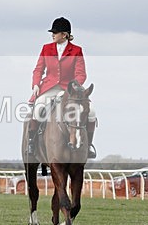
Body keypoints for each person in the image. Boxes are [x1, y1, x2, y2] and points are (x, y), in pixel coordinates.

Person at [26, 16, 97, 157]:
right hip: (49, 88)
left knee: (92, 112)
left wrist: (73, 89)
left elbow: (81, 74)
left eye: (55, 32)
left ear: (64, 35)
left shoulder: (76, 51)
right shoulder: (46, 48)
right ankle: (31, 143)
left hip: (68, 90)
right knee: (38, 108)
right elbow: (38, 69)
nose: (52, 35)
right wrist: (35, 84)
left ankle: (88, 146)